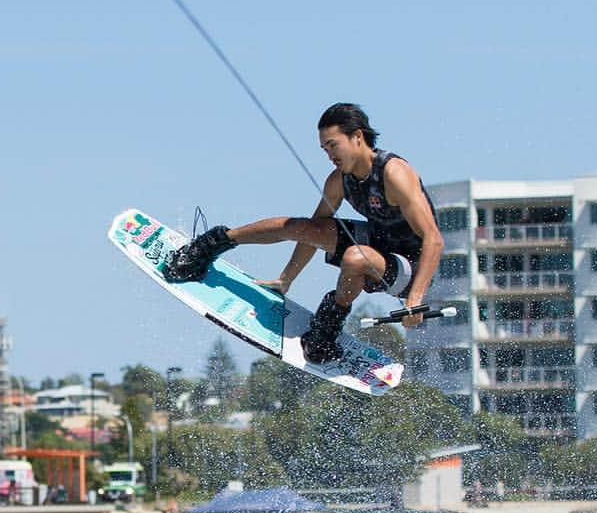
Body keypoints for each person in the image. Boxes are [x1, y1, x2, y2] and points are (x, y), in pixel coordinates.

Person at [162, 103, 444, 362]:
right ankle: (212, 244)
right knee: (299, 226)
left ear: (358, 136)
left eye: (333, 145)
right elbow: (310, 234)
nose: (330, 155)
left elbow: (434, 238)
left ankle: (326, 329)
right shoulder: (339, 180)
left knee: (355, 258)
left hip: (412, 267)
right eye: (324, 149)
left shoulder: (394, 173)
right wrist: (286, 280)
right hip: (378, 240)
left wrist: (414, 300)